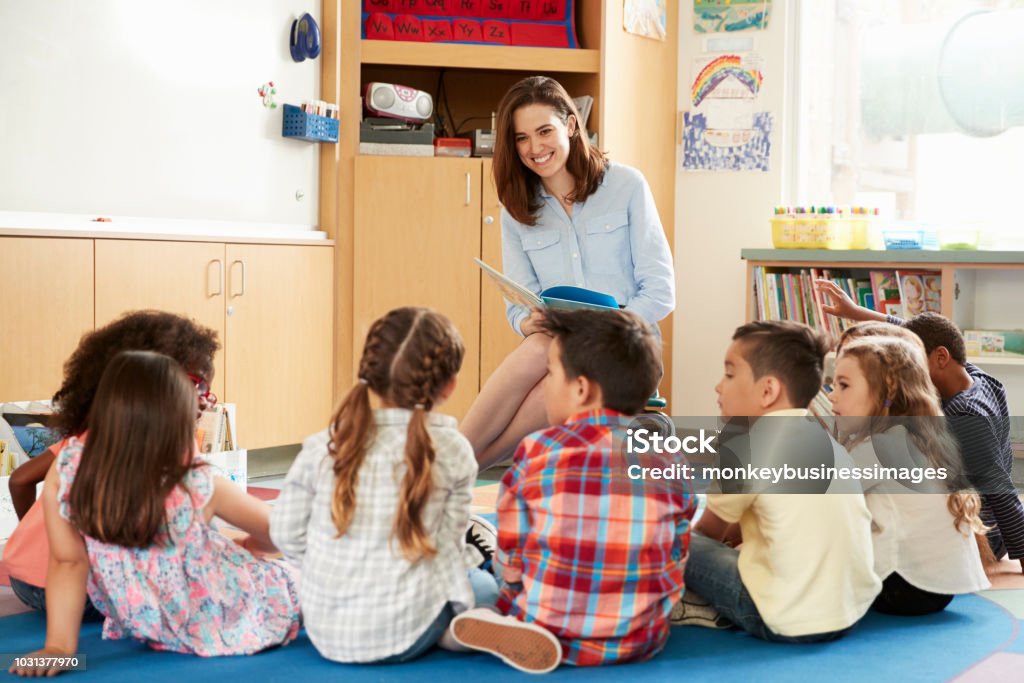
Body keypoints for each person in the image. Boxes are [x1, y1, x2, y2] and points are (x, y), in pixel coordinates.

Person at [10, 351, 299, 676]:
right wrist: (260, 549)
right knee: (292, 573)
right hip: (215, 616)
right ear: (178, 418)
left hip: (145, 623)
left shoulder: (68, 471)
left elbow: (68, 562)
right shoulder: (198, 483)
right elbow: (284, 533)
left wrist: (59, 649)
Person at [450, 309, 694, 673]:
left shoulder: (537, 452)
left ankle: (498, 614)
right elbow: (677, 550)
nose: (545, 386)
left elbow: (513, 556)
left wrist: (511, 592)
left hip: (547, 625)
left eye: (550, 373)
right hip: (641, 638)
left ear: (581, 389)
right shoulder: (670, 459)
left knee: (474, 576)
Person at [461, 75, 675, 468]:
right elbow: (518, 306)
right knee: (545, 346)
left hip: (626, 350)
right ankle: (461, 462)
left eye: (545, 131)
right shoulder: (517, 211)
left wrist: (608, 329)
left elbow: (660, 290)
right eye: (521, 138)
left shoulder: (626, 185)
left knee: (556, 353)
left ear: (571, 125)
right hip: (557, 348)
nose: (534, 148)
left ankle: (454, 460)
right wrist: (529, 322)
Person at [270, 307, 497, 664]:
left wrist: (330, 566)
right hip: (406, 633)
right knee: (483, 587)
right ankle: (456, 631)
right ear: (449, 386)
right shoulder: (453, 449)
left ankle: (453, 625)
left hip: (326, 630)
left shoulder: (324, 445)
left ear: (370, 374)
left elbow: (284, 534)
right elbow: (446, 552)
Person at [3, 310, 220, 620]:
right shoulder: (176, 439)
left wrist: (48, 535)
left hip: (24, 581)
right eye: (197, 385)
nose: (204, 401)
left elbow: (19, 480)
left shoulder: (84, 437)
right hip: (86, 593)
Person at [681, 320, 880, 642]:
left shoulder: (744, 442)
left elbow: (708, 532)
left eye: (729, 374)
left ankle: (698, 605)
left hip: (784, 618)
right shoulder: (829, 442)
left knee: (678, 540)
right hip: (848, 612)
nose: (719, 386)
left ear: (768, 390)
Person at [816, 280, 1024, 572]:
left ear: (940, 357)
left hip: (982, 533)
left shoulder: (966, 416)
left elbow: (999, 486)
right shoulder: (978, 377)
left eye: (912, 359)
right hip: (976, 522)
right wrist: (861, 313)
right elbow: (919, 338)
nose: (907, 364)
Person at [830, 335, 989, 615]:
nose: (832, 395)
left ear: (885, 393)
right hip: (940, 589)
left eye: (843, 385)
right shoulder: (920, 438)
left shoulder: (875, 448)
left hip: (903, 585)